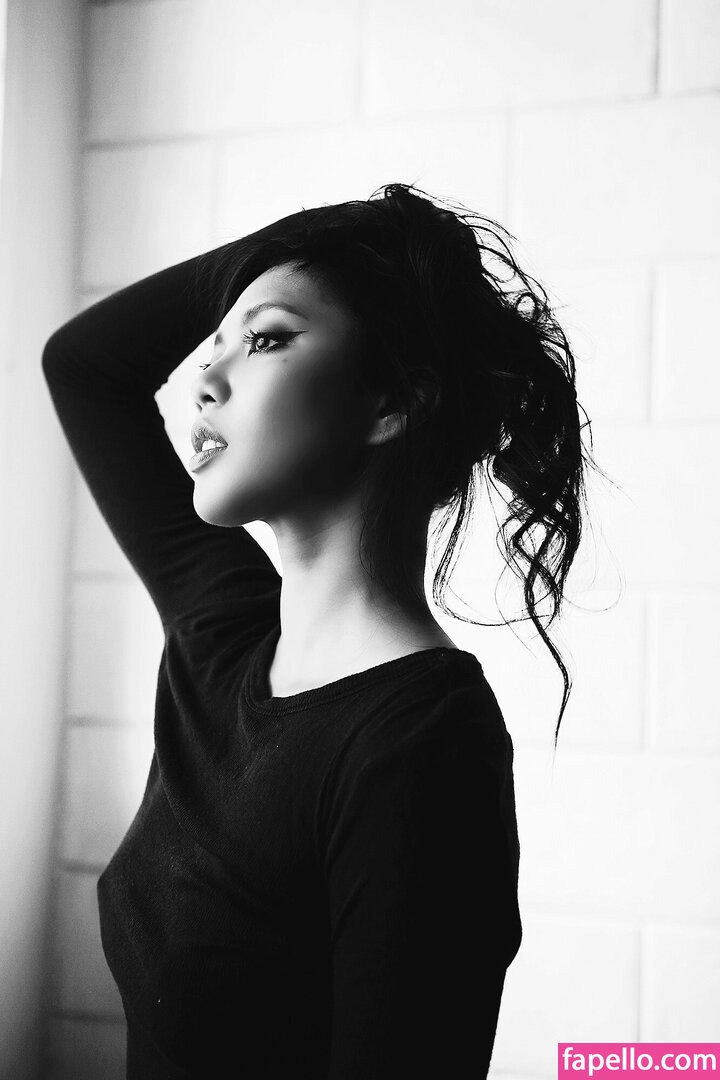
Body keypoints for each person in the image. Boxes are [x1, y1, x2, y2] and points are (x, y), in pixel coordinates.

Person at [42, 182, 596, 1079]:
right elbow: (84, 366)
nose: (203, 381)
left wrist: (372, 245)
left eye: (265, 340)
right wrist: (321, 236)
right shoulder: (221, 636)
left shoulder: (421, 745)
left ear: (391, 401)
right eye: (214, 347)